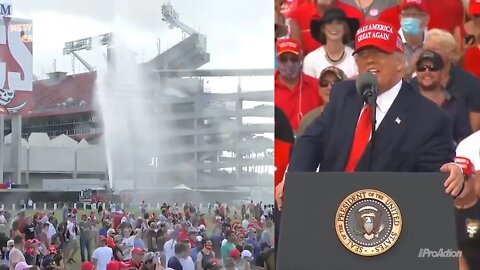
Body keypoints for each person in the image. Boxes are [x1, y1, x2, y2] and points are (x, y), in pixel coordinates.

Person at [276, 20, 468, 209]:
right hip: (330, 209)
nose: (370, 60)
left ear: (400, 63)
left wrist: (453, 173)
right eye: (364, 54)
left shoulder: (429, 118)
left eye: (380, 53)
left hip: (387, 222)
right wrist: (294, 179)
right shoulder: (344, 94)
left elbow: (438, 179)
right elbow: (311, 140)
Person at [409, 29, 480, 131]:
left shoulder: (471, 84)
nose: (429, 54)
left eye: (435, 50)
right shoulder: (414, 84)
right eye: (426, 50)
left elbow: (474, 133)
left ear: (450, 54)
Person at [415, 49, 472, 144]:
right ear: (416, 72)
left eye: (433, 68)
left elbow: (465, 142)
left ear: (442, 73)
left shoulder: (456, 104)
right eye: (422, 68)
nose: (427, 71)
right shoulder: (405, 103)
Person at [275, 39, 322, 133]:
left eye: (293, 59)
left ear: (301, 59)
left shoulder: (316, 86)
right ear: (277, 60)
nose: (289, 64)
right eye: (284, 59)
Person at [288, 0, 365, 54]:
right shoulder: (296, 16)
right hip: (310, 72)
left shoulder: (354, 15)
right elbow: (294, 56)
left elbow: (364, 51)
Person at [303, 7, 359, 79]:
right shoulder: (311, 59)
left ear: (345, 28)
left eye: (339, 23)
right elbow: (309, 88)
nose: (334, 27)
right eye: (329, 23)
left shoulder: (356, 57)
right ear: (323, 28)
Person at [298, 66, 347, 135]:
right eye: (324, 83)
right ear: (319, 90)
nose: (329, 87)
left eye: (335, 83)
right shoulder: (308, 120)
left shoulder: (354, 117)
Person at [396, 0, 430, 79]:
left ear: (427, 19)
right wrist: (411, 68)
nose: (410, 19)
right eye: (407, 15)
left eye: (415, 15)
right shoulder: (391, 43)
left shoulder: (434, 43)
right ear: (400, 17)